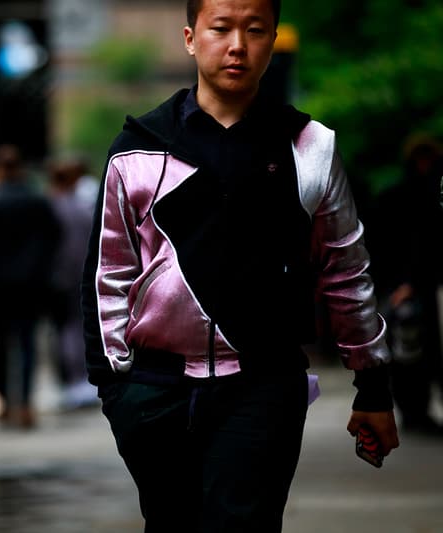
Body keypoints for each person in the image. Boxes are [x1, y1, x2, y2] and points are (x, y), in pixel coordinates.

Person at [80, 0, 400, 531]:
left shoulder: (310, 148)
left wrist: (373, 386)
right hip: (155, 391)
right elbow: (107, 276)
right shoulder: (139, 150)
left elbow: (346, 271)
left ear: (272, 40)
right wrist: (117, 390)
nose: (237, 45)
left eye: (254, 30)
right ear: (190, 38)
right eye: (221, 28)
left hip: (263, 386)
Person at [0, 144, 61, 428]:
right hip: (31, 283)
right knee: (28, 342)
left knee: (0, 344)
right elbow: (54, 237)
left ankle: (5, 402)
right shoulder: (38, 201)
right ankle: (26, 403)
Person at [369, 135, 443, 435]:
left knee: (413, 354)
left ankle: (416, 412)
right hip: (407, 287)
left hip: (411, 285)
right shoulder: (406, 197)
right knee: (409, 353)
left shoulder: (403, 195)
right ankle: (414, 413)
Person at [47, 156, 97, 409]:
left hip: (60, 278)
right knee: (79, 329)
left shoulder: (51, 208)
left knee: (66, 331)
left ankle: (73, 381)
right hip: (82, 276)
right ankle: (80, 381)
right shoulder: (82, 208)